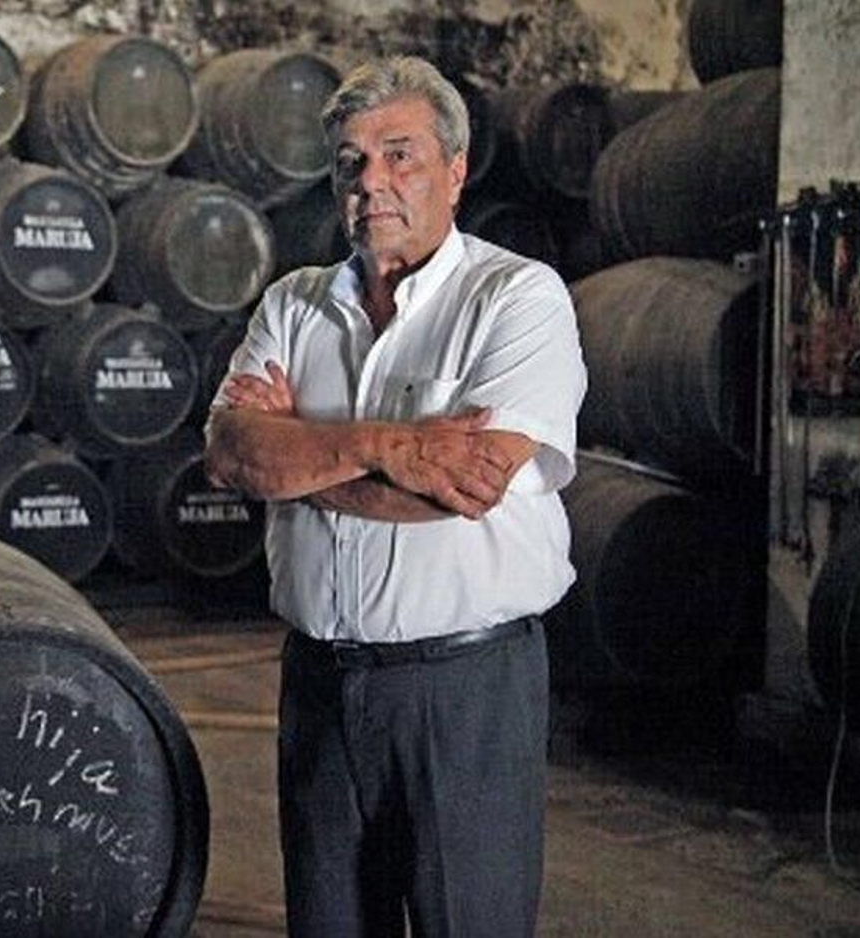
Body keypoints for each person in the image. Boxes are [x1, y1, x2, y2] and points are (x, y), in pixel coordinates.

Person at [204, 56, 586, 937]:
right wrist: (391, 448)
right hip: (322, 685)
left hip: (465, 689)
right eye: (350, 163)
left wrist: (299, 462)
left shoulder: (516, 298)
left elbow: (465, 487)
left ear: (455, 171)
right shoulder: (293, 304)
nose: (371, 181)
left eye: (400, 155)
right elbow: (230, 452)